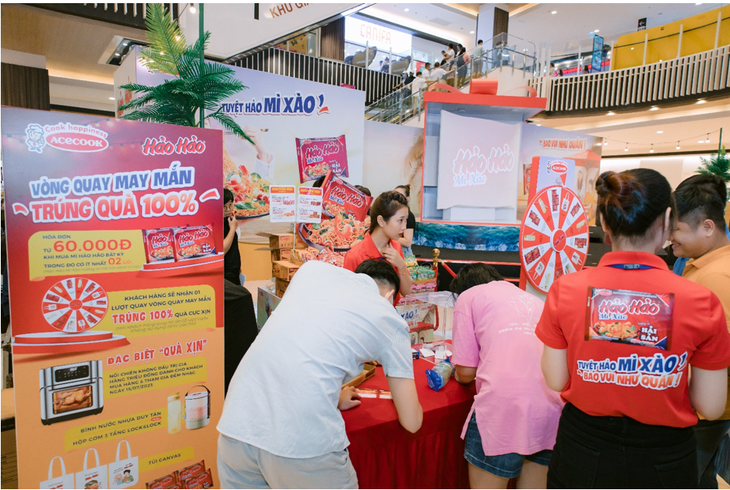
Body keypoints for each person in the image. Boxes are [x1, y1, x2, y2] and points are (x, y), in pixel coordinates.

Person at [536, 168, 730, 488]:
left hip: (582, 452)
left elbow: (556, 379)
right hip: (663, 461)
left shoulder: (566, 289)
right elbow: (710, 405)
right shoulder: (700, 300)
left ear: (604, 222)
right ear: (668, 220)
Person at [217, 260, 422, 489]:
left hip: (236, 426)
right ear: (390, 296)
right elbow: (412, 421)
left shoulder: (311, 271)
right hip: (300, 443)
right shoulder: (388, 318)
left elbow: (302, 350)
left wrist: (333, 396)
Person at [451, 264, 563, 489]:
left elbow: (465, 373)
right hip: (549, 410)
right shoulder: (533, 299)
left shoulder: (468, 297)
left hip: (501, 411)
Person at [671, 174, 730, 488]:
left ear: (707, 227)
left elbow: (721, 354)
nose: (671, 239)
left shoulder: (717, 278)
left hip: (704, 414)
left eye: (677, 230)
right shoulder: (701, 267)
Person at [344, 191, 412, 301]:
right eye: (400, 220)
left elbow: (408, 292)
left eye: (406, 220)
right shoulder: (354, 256)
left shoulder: (395, 247)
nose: (404, 227)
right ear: (381, 221)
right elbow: (349, 298)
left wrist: (401, 266)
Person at [223, 188, 242, 285]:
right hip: (225, 274)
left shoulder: (229, 221)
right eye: (224, 206)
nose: (228, 210)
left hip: (234, 272)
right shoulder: (217, 224)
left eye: (230, 205)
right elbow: (223, 249)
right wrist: (232, 229)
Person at [394, 185, 416, 252]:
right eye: (395, 195)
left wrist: (387, 236)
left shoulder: (409, 216)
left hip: (403, 253)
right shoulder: (392, 213)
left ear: (407, 198)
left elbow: (407, 242)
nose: (397, 198)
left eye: (400, 195)